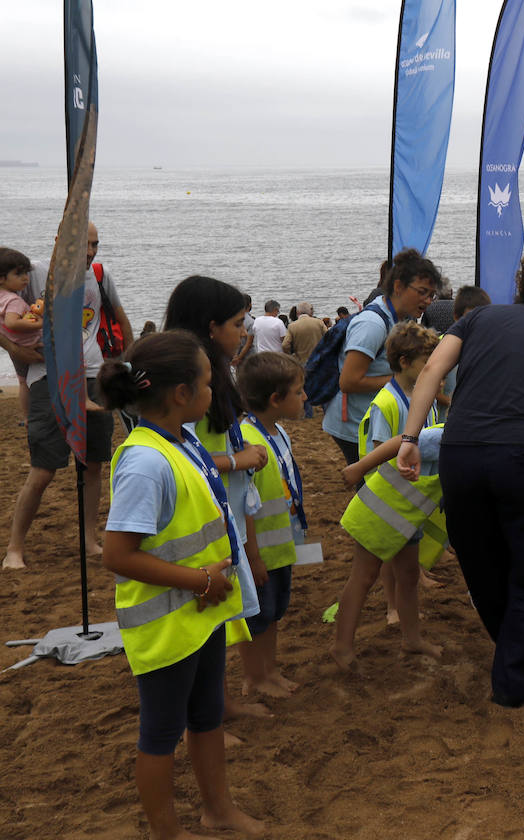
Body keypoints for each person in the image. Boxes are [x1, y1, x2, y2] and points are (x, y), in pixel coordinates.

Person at [400, 251, 524, 708]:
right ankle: (514, 683)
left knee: (481, 561)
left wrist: (409, 436)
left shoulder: (476, 319)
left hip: (460, 455)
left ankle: (511, 649)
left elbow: (431, 371)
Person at [97, 330, 265, 839]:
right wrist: (197, 580)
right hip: (168, 623)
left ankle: (219, 809)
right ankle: (166, 831)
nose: (215, 392)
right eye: (209, 383)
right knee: (161, 734)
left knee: (207, 716)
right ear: (180, 394)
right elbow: (117, 554)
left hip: (201, 613)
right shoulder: (146, 462)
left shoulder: (182, 439)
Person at [163, 275, 271, 718]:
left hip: (221, 508)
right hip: (201, 514)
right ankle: (207, 714)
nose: (243, 332)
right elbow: (184, 452)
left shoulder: (213, 375)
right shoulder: (190, 385)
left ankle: (219, 704)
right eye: (237, 323)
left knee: (223, 614)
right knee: (205, 619)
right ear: (210, 327)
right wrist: (240, 460)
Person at [332, 323, 446, 670]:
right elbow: (382, 450)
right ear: (405, 360)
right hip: (383, 505)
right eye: (429, 360)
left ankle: (412, 640)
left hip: (410, 506)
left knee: (408, 575)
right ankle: (342, 647)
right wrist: (369, 468)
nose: (436, 369)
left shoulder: (423, 400)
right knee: (363, 577)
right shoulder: (387, 401)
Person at [6, 223, 119, 570]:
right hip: (49, 379)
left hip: (93, 374)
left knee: (94, 464)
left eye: (95, 244)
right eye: (82, 244)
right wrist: (14, 350)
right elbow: (4, 314)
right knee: (43, 469)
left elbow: (117, 318)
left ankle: (89, 541)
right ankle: (14, 549)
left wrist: (124, 363)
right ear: (59, 241)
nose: (90, 251)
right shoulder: (35, 274)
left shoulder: (98, 276)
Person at [322, 249, 437, 465]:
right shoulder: (372, 324)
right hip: (355, 424)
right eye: (422, 292)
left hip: (374, 418)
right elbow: (348, 382)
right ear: (398, 287)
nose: (428, 300)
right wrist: (405, 379)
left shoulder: (402, 318)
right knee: (373, 486)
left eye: (432, 294)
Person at [236, 352, 308, 698]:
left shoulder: (278, 431)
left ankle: (270, 670)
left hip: (281, 545)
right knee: (257, 617)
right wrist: (253, 556)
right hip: (260, 550)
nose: (305, 398)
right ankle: (255, 677)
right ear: (275, 399)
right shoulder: (247, 439)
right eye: (299, 391)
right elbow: (243, 503)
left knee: (275, 611)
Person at [0, 247, 41, 420]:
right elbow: (12, 322)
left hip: (15, 348)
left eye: (26, 273)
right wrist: (39, 323)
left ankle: (27, 418)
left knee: (23, 382)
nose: (26, 278)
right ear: (2, 278)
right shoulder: (14, 300)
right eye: (19, 274)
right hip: (31, 345)